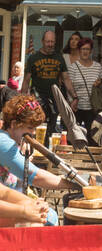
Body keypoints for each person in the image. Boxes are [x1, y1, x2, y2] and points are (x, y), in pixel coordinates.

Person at [0, 95, 72, 224]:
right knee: (48, 217)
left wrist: (31, 201)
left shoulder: (12, 140)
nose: (33, 133)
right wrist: (73, 183)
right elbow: (36, 176)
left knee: (49, 214)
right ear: (14, 124)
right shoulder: (3, 141)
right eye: (30, 128)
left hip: (10, 201)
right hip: (6, 208)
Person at [22, 30, 76, 134]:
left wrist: (74, 97)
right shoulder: (33, 58)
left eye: (52, 42)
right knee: (37, 126)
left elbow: (66, 79)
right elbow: (26, 80)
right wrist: (23, 100)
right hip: (37, 98)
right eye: (48, 42)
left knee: (52, 126)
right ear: (42, 41)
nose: (50, 44)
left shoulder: (59, 57)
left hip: (54, 99)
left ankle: (48, 149)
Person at [67, 38, 102, 137]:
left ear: (91, 51)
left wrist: (100, 83)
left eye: (87, 49)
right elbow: (69, 87)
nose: (85, 52)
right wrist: (72, 101)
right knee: (76, 137)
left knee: (93, 137)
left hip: (93, 108)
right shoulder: (73, 67)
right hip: (77, 109)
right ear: (79, 51)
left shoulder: (97, 67)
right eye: (83, 49)